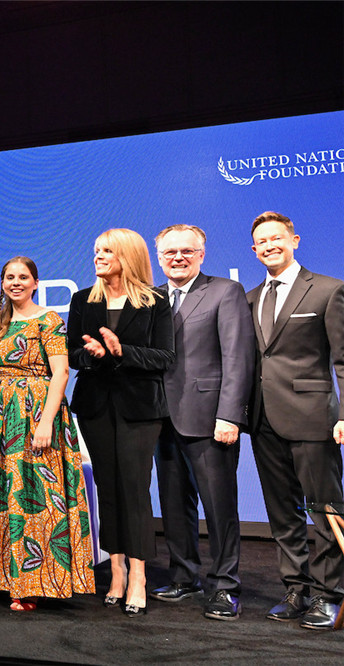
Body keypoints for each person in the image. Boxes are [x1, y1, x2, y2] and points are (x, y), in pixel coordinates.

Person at [0, 258, 95, 611]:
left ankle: (35, 583)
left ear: (36, 283)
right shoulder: (1, 323)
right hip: (2, 417)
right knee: (5, 494)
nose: (15, 282)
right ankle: (5, 578)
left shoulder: (49, 320)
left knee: (34, 495)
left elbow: (60, 374)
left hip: (36, 414)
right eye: (9, 277)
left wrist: (45, 423)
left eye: (22, 277)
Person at [67, 229, 175, 617]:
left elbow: (164, 356)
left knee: (134, 490)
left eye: (107, 250)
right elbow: (72, 355)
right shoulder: (83, 299)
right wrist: (94, 355)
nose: (98, 256)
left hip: (140, 409)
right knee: (108, 489)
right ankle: (115, 571)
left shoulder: (156, 301)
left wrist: (119, 350)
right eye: (96, 249)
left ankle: (139, 576)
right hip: (95, 407)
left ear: (127, 255)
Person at [149, 225, 254, 621]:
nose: (178, 257)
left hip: (211, 419)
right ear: (159, 257)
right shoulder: (153, 298)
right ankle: (184, 576)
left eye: (186, 251)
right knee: (174, 505)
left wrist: (230, 415)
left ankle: (225, 586)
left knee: (219, 506)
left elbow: (238, 357)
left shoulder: (225, 292)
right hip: (161, 419)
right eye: (170, 252)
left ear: (201, 255)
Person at [246, 211, 344, 630]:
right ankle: (296, 588)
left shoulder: (328, 290)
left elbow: (343, 358)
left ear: (295, 240)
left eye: (276, 238)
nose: (269, 246)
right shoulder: (248, 298)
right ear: (253, 250)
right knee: (282, 512)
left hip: (312, 417)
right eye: (261, 242)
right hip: (262, 419)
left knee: (324, 510)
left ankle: (329, 594)